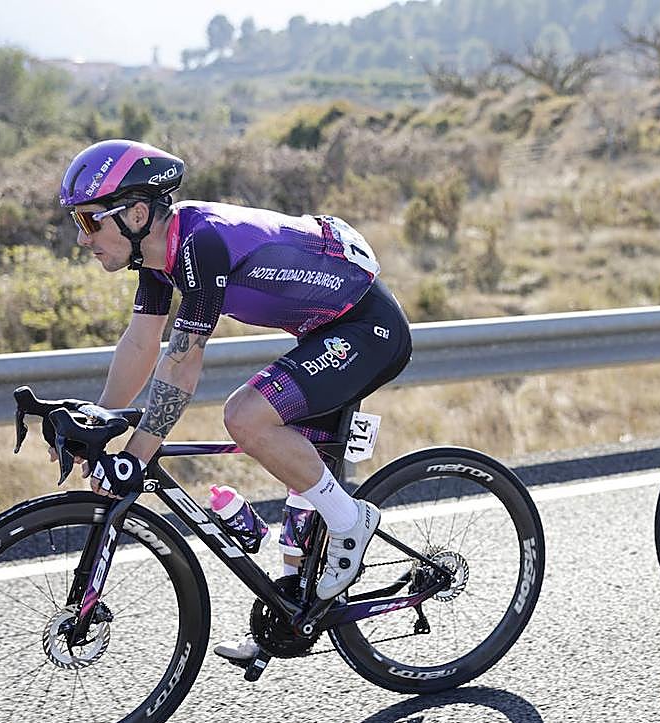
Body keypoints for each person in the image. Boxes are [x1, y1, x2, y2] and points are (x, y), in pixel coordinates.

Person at [58, 139, 412, 662]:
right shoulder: (157, 259)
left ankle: (352, 522)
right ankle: (290, 614)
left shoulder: (201, 243)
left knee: (245, 416)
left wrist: (136, 455)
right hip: (322, 332)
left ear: (135, 214)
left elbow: (182, 362)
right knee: (295, 465)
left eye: (90, 222)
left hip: (368, 329)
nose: (82, 238)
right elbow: (141, 343)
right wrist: (102, 421)